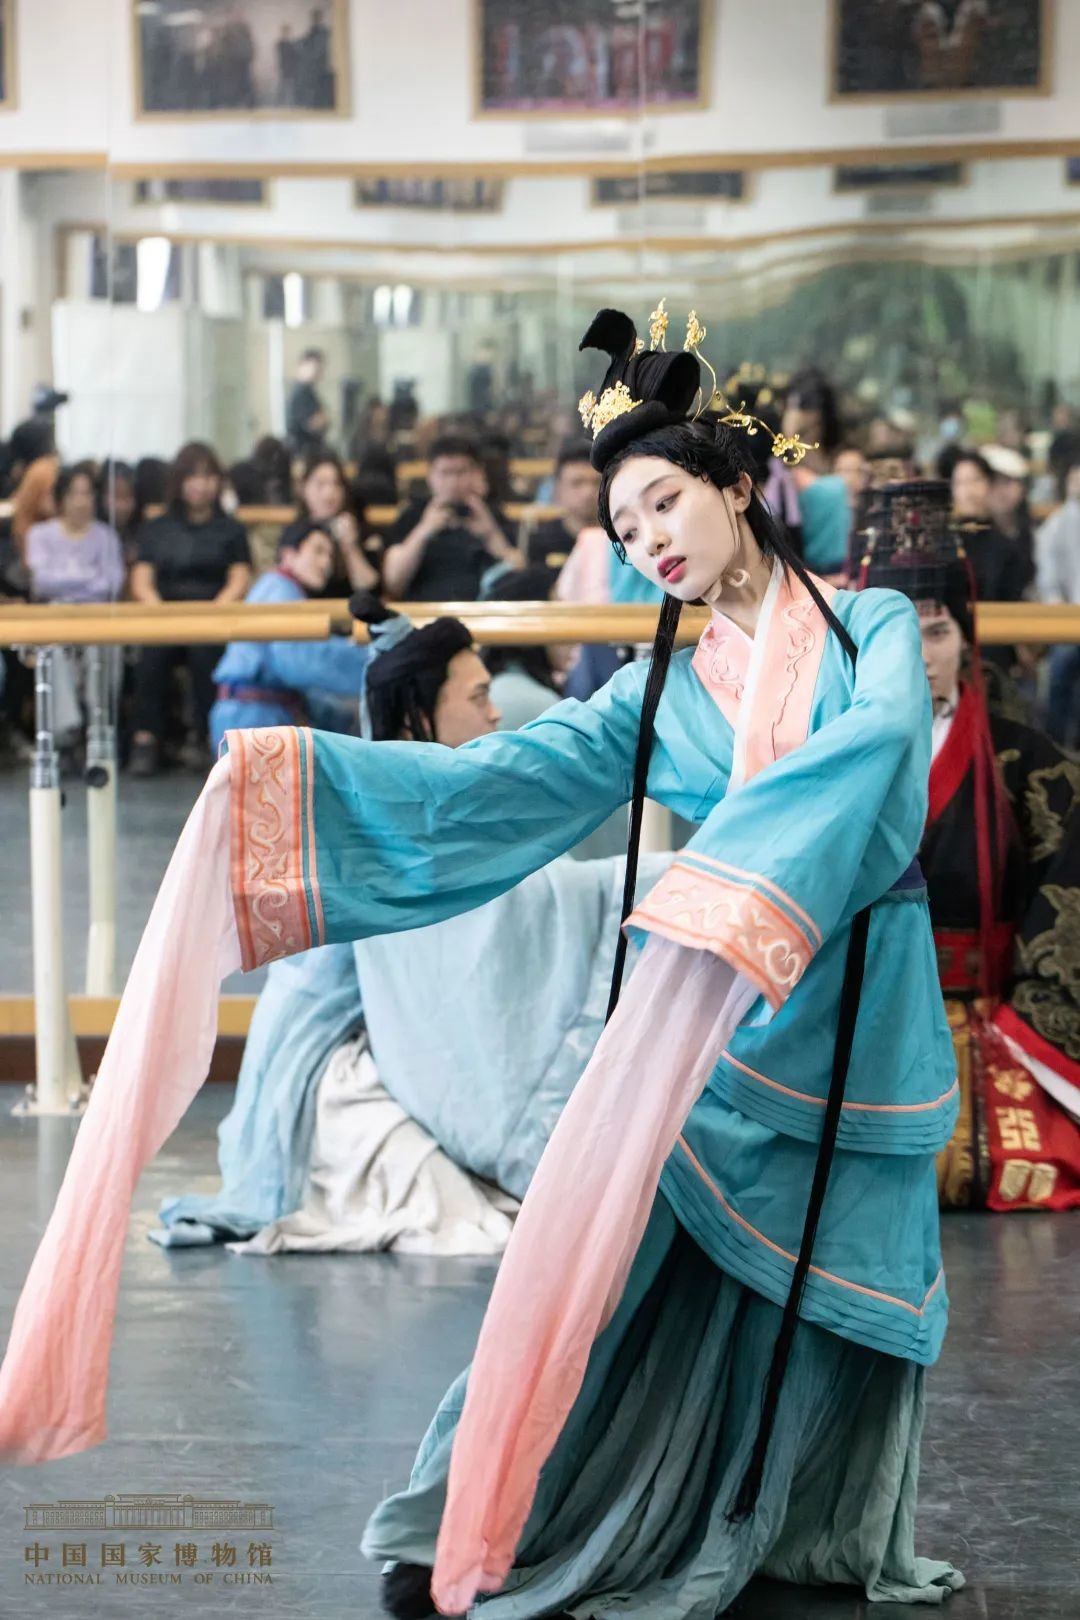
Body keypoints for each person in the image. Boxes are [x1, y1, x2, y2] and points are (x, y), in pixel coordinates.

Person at [0, 304, 961, 1620]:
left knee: (847, 1274)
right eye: (626, 527)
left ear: (740, 489)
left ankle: (809, 1523)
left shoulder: (872, 630)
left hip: (855, 998)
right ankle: (503, 1510)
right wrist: (299, 787)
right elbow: (502, 782)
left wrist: (741, 880)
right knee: (614, 1259)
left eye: (667, 502)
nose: (652, 541)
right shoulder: (661, 694)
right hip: (727, 1011)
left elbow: (884, 754)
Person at [860, 480, 1080, 1211]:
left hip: (991, 1024)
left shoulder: (1029, 764)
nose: (920, 656)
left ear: (966, 638)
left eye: (937, 632)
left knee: (990, 1163)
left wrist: (1027, 1019)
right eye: (896, 635)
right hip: (859, 1021)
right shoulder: (823, 753)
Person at [128, 440, 251, 775]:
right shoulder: (157, 528)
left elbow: (239, 578)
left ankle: (204, 736)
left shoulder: (231, 529)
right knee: (151, 655)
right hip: (163, 617)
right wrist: (162, 614)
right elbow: (141, 580)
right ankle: (146, 738)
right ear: (179, 481)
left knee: (206, 650)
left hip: (214, 617)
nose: (201, 484)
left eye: (208, 476)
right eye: (193, 476)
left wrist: (213, 612)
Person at [208, 521, 371, 750]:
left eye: (330, 555)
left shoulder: (277, 587)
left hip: (253, 713)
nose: (326, 563)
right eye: (318, 551)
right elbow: (301, 661)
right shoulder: (280, 590)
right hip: (253, 717)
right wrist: (371, 656)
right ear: (289, 554)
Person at [381, 434, 520, 600]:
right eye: (445, 473)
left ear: (476, 473)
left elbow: (518, 573)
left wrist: (490, 535)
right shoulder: (412, 515)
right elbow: (393, 584)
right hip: (424, 609)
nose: (453, 481)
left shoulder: (491, 512)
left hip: (483, 609)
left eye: (461, 472)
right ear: (430, 476)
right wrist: (424, 530)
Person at [26, 463, 124, 605]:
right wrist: (90, 575)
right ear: (61, 498)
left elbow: (111, 585)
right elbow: (41, 583)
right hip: (51, 611)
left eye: (86, 494)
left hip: (96, 611)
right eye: (73, 494)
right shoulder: (39, 534)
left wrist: (65, 585)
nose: (80, 502)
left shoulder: (107, 537)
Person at [1035, 456, 1080, 747]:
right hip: (1066, 618)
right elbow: (1047, 577)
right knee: (1061, 670)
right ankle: (1055, 745)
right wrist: (1057, 604)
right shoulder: (1056, 523)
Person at [950, 450, 1032, 604]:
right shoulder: (943, 543)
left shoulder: (1007, 549)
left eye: (975, 480)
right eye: (959, 483)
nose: (968, 491)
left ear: (989, 484)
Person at [525, 438, 602, 586]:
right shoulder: (541, 540)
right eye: (577, 483)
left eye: (597, 482)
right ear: (557, 490)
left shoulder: (620, 539)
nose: (588, 492)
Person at [286, 348, 329, 456]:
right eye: (314, 367)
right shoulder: (301, 393)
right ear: (302, 365)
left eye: (319, 369)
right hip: (304, 451)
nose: (317, 372)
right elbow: (312, 424)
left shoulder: (308, 392)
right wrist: (322, 420)